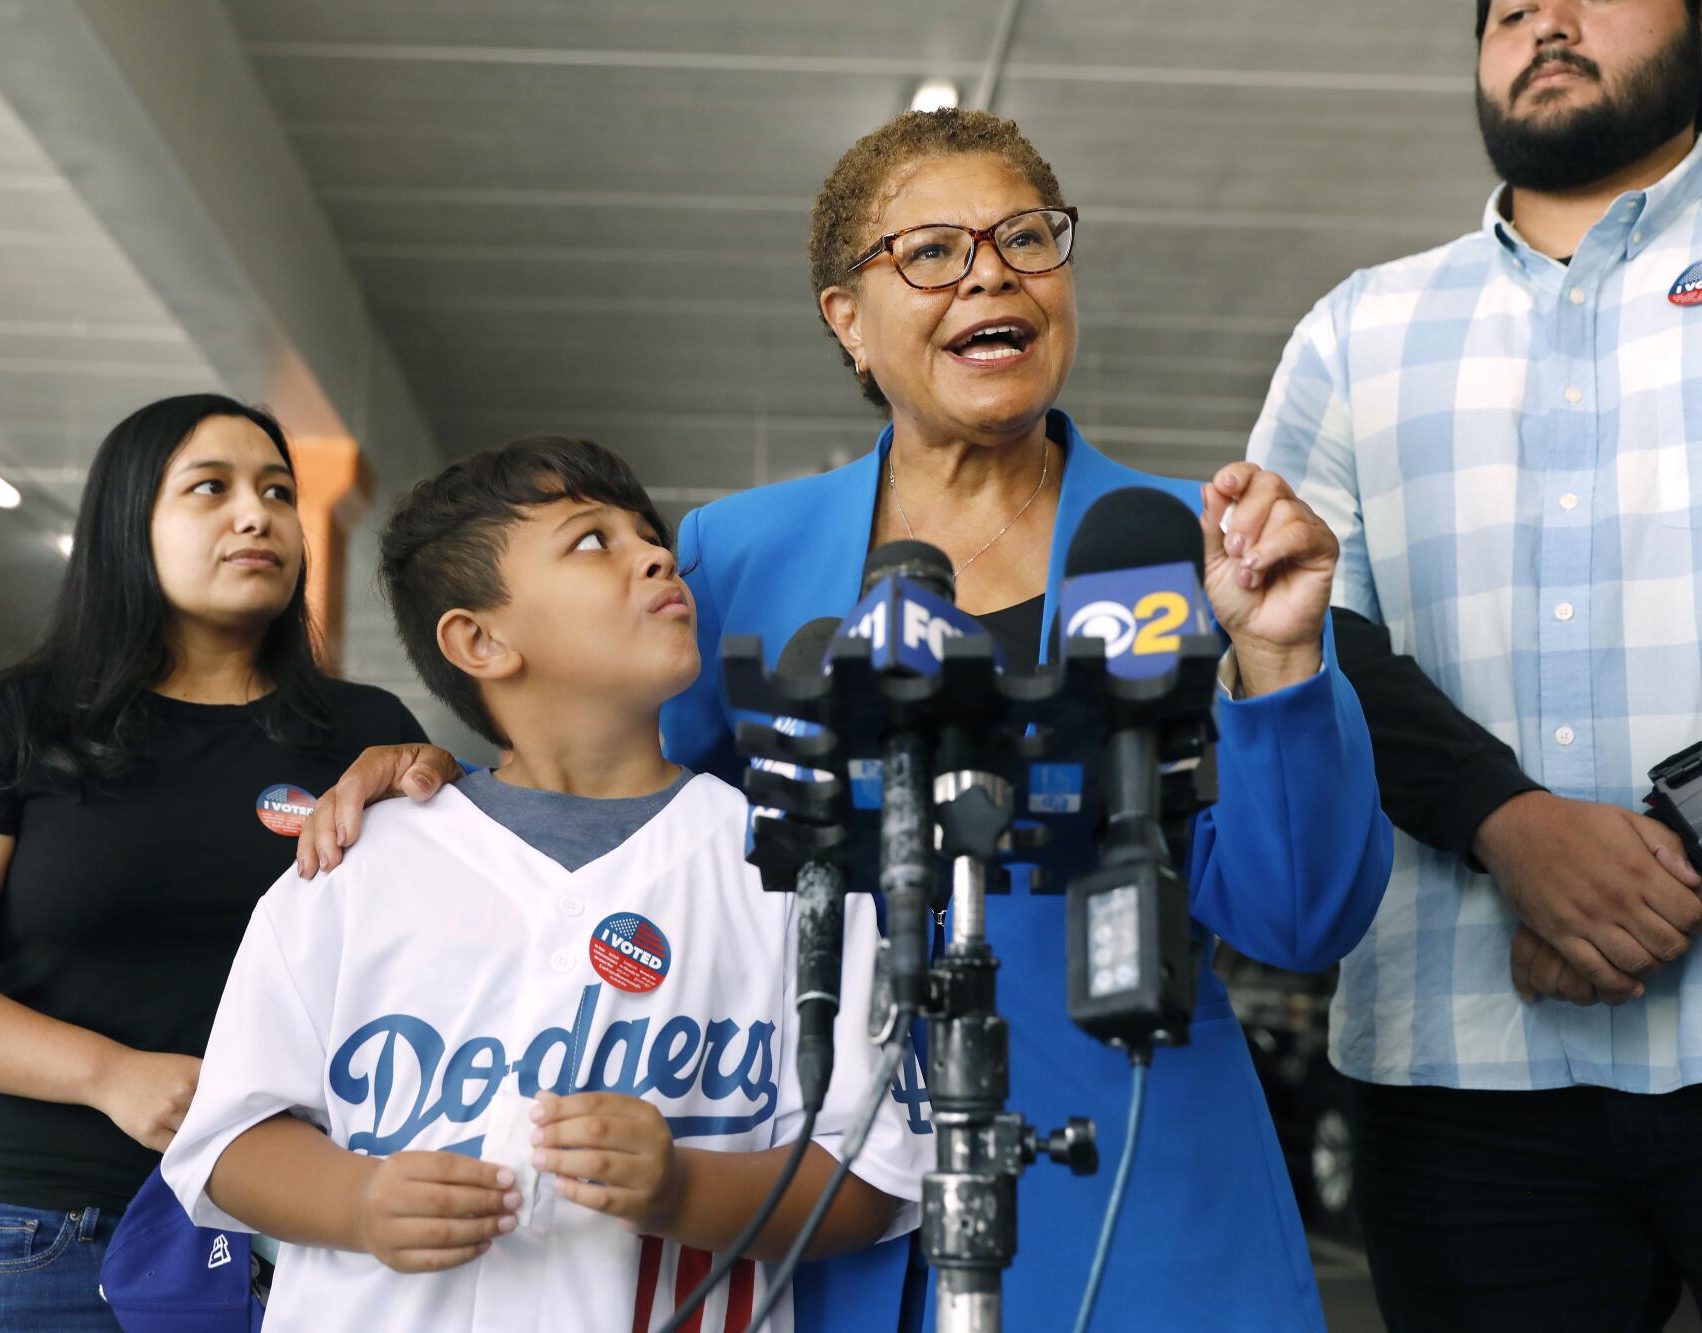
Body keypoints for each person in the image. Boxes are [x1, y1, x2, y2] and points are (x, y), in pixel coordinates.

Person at [295, 111, 1393, 1331]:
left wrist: (1280, 653)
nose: (989, 271)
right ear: (846, 321)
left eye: (1025, 238)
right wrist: (453, 776)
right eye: (929, 250)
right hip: (834, 1218)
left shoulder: (1193, 545)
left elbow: (1297, 919)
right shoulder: (736, 555)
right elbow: (631, 814)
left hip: (1128, 1187)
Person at [156, 436, 927, 1331]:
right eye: (592, 541)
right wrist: (359, 1201)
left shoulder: (795, 865)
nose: (656, 553)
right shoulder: (356, 860)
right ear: (480, 639)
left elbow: (871, 1177)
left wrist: (683, 1186)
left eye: (650, 533)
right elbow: (227, 1142)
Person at [1250, 2, 1702, 1327]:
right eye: (1508, 8)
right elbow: (1296, 623)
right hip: (1457, 1062)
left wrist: (1649, 877)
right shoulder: (1358, 330)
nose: (1543, 20)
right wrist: (1512, 831)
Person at [0, 394, 444, 1331]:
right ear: (128, 525)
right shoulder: (18, 725)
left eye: (279, 492)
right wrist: (110, 1073)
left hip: (305, 1232)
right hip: (59, 1231)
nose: (257, 514)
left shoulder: (365, 733)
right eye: (210, 488)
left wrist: (437, 783)